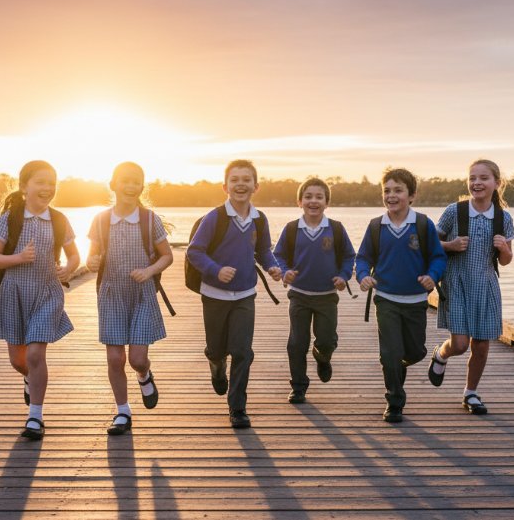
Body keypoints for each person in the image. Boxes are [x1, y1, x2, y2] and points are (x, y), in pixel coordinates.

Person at [0, 160, 80, 440]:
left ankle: (35, 418)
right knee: (20, 360)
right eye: (40, 182)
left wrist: (70, 267)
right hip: (14, 293)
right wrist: (18, 258)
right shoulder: (10, 219)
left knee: (37, 354)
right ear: (24, 186)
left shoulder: (59, 219)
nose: (47, 188)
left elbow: (74, 254)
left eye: (51, 182)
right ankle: (29, 378)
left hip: (47, 292)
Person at [187, 159, 282, 429]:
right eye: (235, 180)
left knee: (242, 351)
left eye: (246, 179)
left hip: (244, 295)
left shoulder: (259, 219)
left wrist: (273, 267)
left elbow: (263, 251)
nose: (241, 184)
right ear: (225, 186)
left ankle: (237, 407)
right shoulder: (214, 217)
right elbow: (195, 251)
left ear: (256, 186)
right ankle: (216, 365)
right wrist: (216, 270)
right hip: (214, 295)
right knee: (217, 348)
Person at [86, 162, 173, 436]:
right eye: (125, 180)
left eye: (137, 181)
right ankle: (123, 411)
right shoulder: (101, 220)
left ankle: (144, 375)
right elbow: (92, 256)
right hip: (111, 293)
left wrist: (149, 271)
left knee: (136, 358)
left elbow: (167, 256)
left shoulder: (149, 219)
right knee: (114, 358)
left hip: (142, 295)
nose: (131, 185)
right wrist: (92, 261)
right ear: (113, 185)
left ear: (141, 187)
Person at [356, 168, 447, 424]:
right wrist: (363, 275)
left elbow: (438, 258)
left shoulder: (422, 224)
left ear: (412, 195)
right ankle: (394, 401)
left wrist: (432, 275)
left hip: (416, 301)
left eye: (398, 190)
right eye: (387, 190)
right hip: (385, 299)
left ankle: (400, 364)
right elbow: (363, 258)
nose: (391, 195)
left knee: (415, 351)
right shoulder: (376, 226)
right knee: (390, 353)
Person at [428, 159, 514, 415]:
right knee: (460, 344)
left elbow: (507, 261)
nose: (476, 183)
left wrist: (504, 248)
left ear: (496, 183)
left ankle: (471, 393)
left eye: (483, 178)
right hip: (456, 283)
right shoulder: (454, 211)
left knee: (481, 345)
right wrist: (450, 245)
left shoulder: (503, 217)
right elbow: (430, 243)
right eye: (472, 178)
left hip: (486, 285)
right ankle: (441, 354)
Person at [273, 178, 355, 404]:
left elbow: (349, 256)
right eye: (308, 196)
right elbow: (278, 255)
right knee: (297, 343)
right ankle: (298, 386)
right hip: (299, 295)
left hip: (327, 296)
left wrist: (344, 276)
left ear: (326, 202)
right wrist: (285, 271)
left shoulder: (336, 229)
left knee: (326, 340)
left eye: (319, 197)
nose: (313, 201)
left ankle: (323, 357)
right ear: (300, 201)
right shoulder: (291, 229)